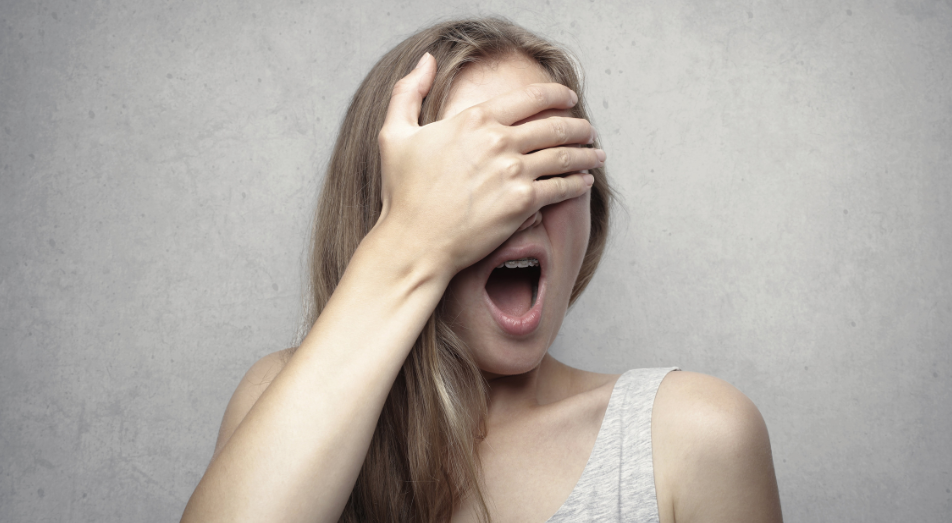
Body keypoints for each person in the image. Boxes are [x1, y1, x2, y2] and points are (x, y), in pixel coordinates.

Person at [181, 17, 782, 523]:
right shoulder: (277, 396)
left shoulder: (692, 436)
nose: (519, 200)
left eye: (547, 163)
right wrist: (408, 245)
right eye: (475, 173)